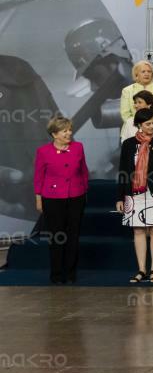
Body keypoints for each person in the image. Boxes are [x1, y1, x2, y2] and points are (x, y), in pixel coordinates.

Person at [117, 108, 153, 283]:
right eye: (148, 124)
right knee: (138, 230)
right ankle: (141, 269)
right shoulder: (128, 144)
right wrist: (120, 197)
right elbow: (123, 171)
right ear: (139, 125)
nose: (152, 126)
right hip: (134, 193)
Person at [34, 114, 89, 284]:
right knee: (57, 236)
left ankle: (71, 273)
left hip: (76, 197)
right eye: (64, 131)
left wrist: (84, 191)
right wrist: (39, 198)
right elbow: (38, 177)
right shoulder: (43, 151)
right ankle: (57, 274)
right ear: (54, 134)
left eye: (70, 130)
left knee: (73, 236)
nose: (69, 133)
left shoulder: (78, 147)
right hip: (52, 198)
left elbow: (84, 172)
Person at [120, 60, 153, 138]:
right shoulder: (127, 90)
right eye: (143, 71)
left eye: (149, 71)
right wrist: (139, 128)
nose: (147, 74)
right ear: (136, 74)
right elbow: (125, 114)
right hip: (133, 132)